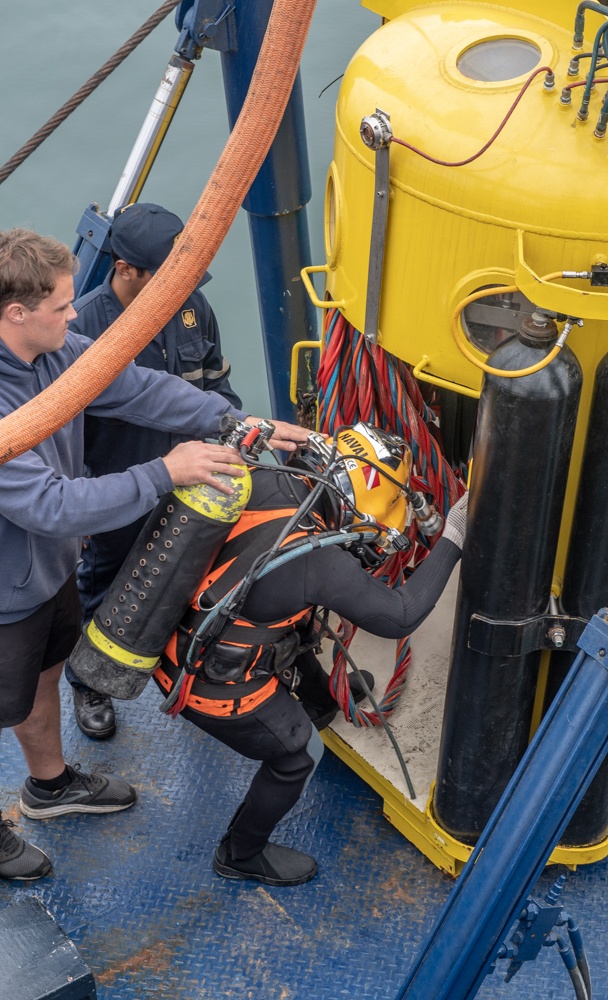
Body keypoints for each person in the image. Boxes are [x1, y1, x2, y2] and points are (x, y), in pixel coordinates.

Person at [0, 227, 309, 882]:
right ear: (15, 314)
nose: (74, 312)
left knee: (45, 676)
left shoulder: (50, 353)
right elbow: (50, 505)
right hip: (3, 591)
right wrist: (167, 472)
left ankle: (49, 787)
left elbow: (135, 388)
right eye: (60, 305)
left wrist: (232, 422)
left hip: (41, 571)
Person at [151, 422, 468, 887]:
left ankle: (321, 703)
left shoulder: (267, 481)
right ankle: (241, 853)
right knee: (297, 756)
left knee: (297, 626)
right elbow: (400, 616)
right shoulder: (317, 558)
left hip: (181, 637)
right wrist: (455, 533)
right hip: (211, 685)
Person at [63, 202, 243, 741]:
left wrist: (234, 438)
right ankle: (87, 681)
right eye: (164, 277)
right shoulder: (84, 330)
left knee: (191, 578)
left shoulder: (193, 308)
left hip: (190, 484)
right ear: (125, 268)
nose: (178, 289)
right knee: (100, 587)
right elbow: (65, 436)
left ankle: (181, 667)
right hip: (115, 491)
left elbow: (216, 384)